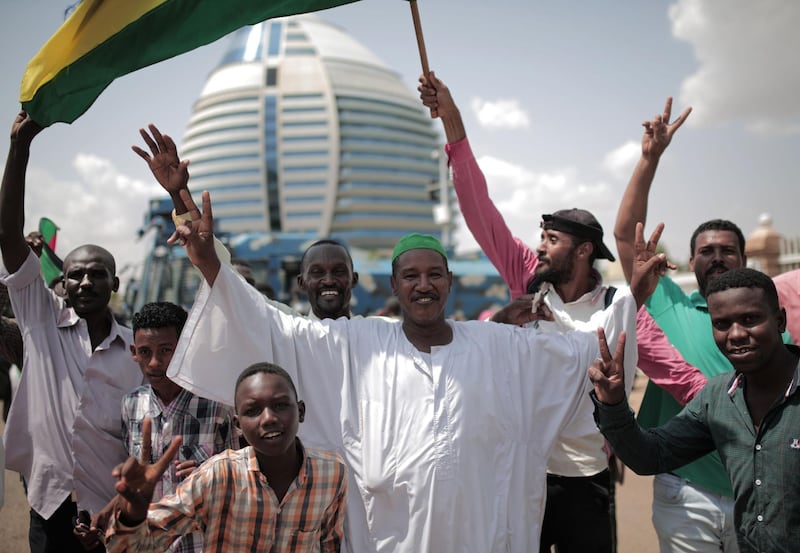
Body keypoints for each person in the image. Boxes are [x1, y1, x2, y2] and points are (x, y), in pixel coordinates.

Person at [159, 184, 669, 552]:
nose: (423, 286)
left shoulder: (501, 347)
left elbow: (583, 352)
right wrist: (208, 259)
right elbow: (270, 325)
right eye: (411, 276)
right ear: (396, 287)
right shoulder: (355, 343)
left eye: (433, 275)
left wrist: (635, 298)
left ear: (448, 282)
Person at [419, 72, 706, 552]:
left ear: (583, 251)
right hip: (519, 476)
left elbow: (682, 378)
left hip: (586, 481)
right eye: (542, 238)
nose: (540, 246)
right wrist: (453, 121)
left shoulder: (620, 312)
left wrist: (743, 405)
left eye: (552, 240)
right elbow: (478, 208)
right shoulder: (526, 281)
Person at [613, 98, 793, 553]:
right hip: (686, 489)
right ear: (689, 261)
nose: (737, 334)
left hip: (761, 500)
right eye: (706, 251)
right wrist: (649, 159)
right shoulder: (668, 303)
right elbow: (624, 237)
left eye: (727, 251)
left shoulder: (779, 338)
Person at [0, 111, 143, 552]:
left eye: (96, 274)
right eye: (76, 274)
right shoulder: (40, 320)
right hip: (49, 502)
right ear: (63, 282)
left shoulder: (139, 353)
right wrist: (20, 150)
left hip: (112, 508)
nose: (84, 283)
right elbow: (7, 235)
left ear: (114, 285)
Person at [589, 267, 800, 553]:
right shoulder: (719, 397)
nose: (736, 334)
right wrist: (613, 405)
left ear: (779, 320)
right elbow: (651, 456)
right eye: (722, 324)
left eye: (750, 319)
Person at [104, 362, 348, 552]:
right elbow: (131, 548)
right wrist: (132, 517)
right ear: (237, 424)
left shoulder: (331, 474)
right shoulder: (218, 476)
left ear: (301, 411)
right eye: (253, 411)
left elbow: (329, 545)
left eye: (280, 405)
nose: (269, 418)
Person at [132, 125, 359, 321]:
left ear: (354, 279)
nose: (328, 280)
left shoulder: (380, 333)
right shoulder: (287, 328)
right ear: (301, 282)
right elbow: (225, 278)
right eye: (317, 272)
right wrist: (178, 193)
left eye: (339, 271)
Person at [82, 302, 235, 551]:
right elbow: (138, 481)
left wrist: (209, 475)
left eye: (166, 351)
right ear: (133, 352)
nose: (154, 362)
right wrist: (106, 513)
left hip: (199, 543)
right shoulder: (131, 405)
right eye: (145, 352)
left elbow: (240, 477)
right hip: (148, 542)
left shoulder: (218, 407)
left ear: (186, 349)